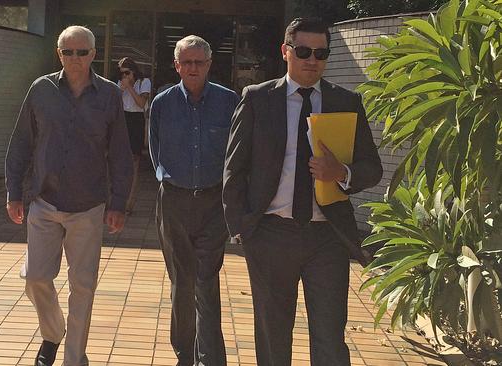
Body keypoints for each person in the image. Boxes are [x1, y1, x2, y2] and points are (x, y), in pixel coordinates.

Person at [223, 18, 383, 366]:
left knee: (329, 338)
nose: (313, 60)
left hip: (327, 237)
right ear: (286, 51)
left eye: (322, 53)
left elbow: (372, 168)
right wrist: (242, 228)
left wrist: (341, 172)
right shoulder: (257, 99)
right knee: (272, 335)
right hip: (270, 234)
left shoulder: (347, 101)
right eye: (304, 51)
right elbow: (234, 170)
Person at [5, 25, 133, 366]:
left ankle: (74, 359)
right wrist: (13, 191)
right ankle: (52, 332)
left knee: (84, 286)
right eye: (67, 51)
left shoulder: (108, 95)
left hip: (88, 207)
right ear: (59, 54)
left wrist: (118, 203)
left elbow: (120, 153)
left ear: (93, 54)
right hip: (43, 202)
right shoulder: (40, 89)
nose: (74, 58)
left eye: (82, 52)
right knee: (35, 278)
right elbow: (21, 142)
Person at [149, 35, 239, 366]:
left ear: (210, 65)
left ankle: (211, 358)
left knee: (205, 278)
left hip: (214, 204)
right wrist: (170, 180)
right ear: (176, 66)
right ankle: (184, 354)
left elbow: (235, 154)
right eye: (186, 62)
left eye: (199, 62)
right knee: (181, 282)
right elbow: (154, 150)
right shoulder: (162, 103)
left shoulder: (229, 102)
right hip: (173, 201)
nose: (193, 68)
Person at [117, 57, 151, 214]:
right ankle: (116, 200)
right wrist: (122, 88)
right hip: (123, 118)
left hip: (136, 119)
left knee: (134, 162)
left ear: (133, 71)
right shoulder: (120, 84)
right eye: (122, 73)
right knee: (118, 160)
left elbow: (141, 103)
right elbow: (114, 103)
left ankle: (129, 203)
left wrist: (130, 87)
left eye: (127, 72)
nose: (124, 76)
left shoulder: (144, 82)